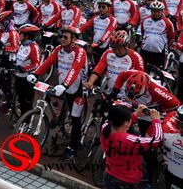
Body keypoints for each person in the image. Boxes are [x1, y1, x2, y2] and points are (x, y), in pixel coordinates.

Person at [29, 26, 87, 160]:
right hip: (64, 84)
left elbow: (75, 69)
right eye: (61, 37)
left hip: (79, 87)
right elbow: (48, 62)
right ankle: (58, 116)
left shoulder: (80, 52)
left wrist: (65, 84)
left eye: (65, 37)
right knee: (52, 95)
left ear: (74, 39)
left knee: (75, 117)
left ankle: (72, 146)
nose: (62, 39)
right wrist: (35, 73)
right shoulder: (58, 49)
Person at [100, 103, 162, 189]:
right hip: (125, 181)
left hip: (109, 175)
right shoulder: (129, 140)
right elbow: (157, 140)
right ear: (126, 123)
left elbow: (120, 123)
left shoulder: (105, 127)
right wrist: (156, 120)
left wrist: (135, 114)